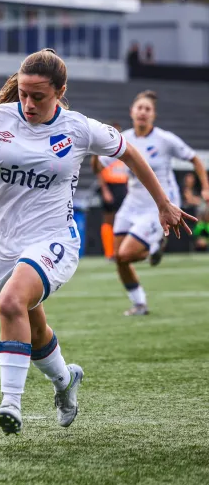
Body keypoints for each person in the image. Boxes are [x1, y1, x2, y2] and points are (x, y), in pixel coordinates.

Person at [0, 50, 196, 435]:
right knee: (33, 328)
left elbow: (130, 154)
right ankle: (65, 380)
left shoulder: (79, 129)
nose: (28, 103)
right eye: (23, 94)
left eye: (38, 96)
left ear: (60, 92)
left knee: (11, 302)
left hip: (53, 239)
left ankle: (10, 402)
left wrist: (163, 203)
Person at [93, 90, 209, 316]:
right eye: (140, 108)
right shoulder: (124, 139)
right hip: (132, 202)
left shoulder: (165, 139)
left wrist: (205, 187)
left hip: (159, 206)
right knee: (119, 258)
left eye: (148, 109)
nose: (143, 112)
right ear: (132, 112)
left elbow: (194, 158)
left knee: (127, 254)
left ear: (153, 115)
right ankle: (139, 304)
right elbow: (100, 166)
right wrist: (95, 152)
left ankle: (155, 246)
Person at [91, 122, 128, 260]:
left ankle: (121, 250)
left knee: (123, 218)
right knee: (109, 219)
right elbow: (98, 170)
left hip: (122, 185)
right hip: (110, 185)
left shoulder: (123, 147)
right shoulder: (104, 149)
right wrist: (105, 190)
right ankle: (109, 252)